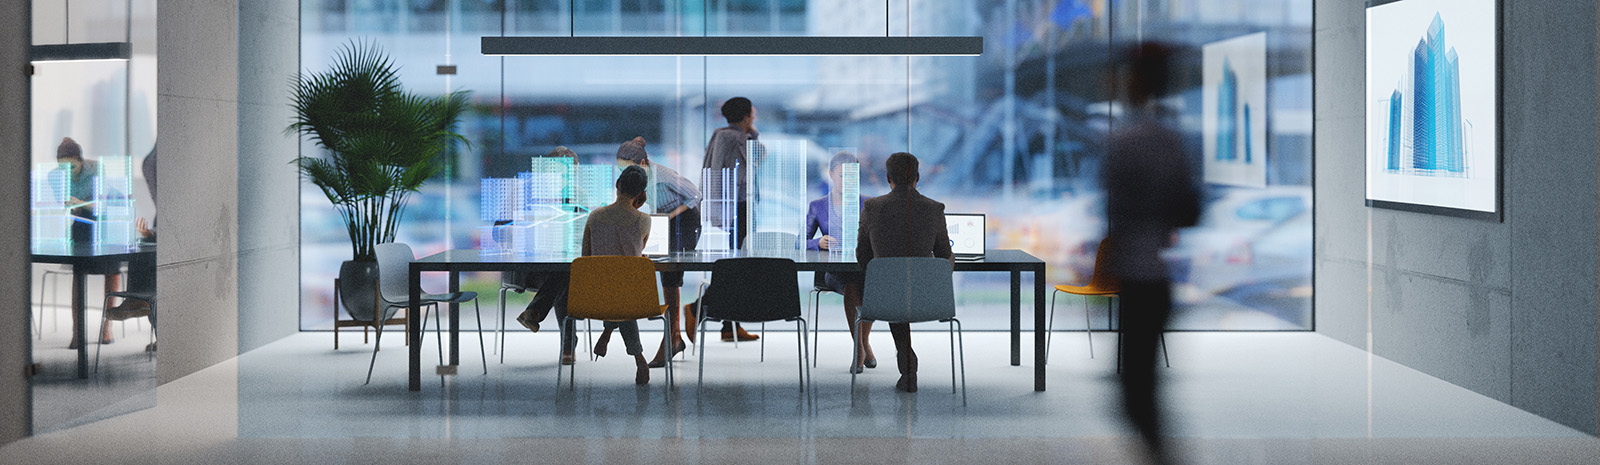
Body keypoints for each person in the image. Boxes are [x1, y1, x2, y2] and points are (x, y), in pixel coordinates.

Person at [1100, 42, 1201, 465]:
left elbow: (1114, 211)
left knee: (1135, 396)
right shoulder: (1171, 141)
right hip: (1154, 278)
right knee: (1141, 392)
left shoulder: (1130, 142)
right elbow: (1191, 210)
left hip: (1136, 279)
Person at [856, 152, 952, 393]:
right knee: (902, 286)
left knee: (892, 288)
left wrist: (882, 271)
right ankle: (907, 362)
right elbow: (943, 256)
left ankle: (907, 361)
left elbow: (862, 256)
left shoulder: (872, 207)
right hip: (927, 297)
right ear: (917, 177)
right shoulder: (934, 208)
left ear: (888, 177)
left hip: (884, 296)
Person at [614, 137, 701, 368]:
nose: (624, 173)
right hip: (663, 220)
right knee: (662, 271)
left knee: (671, 275)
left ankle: (671, 339)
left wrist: (669, 216)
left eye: (628, 168)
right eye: (621, 169)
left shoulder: (664, 175)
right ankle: (674, 337)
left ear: (643, 162)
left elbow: (695, 195)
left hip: (683, 220)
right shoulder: (639, 178)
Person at [691, 97, 760, 343]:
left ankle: (730, 326)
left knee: (733, 264)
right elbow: (755, 161)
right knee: (736, 267)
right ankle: (697, 309)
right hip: (738, 207)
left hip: (727, 207)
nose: (755, 115)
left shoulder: (720, 135)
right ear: (745, 116)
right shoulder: (738, 138)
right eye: (752, 112)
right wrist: (753, 134)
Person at [582, 165, 655, 384]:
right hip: (628, 298)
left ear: (617, 185)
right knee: (623, 293)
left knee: (612, 287)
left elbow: (585, 259)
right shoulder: (643, 220)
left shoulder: (594, 217)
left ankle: (607, 332)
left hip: (597, 295)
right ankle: (639, 358)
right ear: (641, 194)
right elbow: (638, 254)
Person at [804, 151, 876, 373]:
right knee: (853, 282)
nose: (848, 181)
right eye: (843, 176)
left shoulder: (870, 204)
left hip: (864, 266)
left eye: (853, 176)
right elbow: (801, 241)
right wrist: (819, 242)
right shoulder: (818, 205)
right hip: (835, 271)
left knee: (868, 282)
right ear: (831, 175)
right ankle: (860, 348)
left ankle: (862, 345)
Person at [53, 137, 121, 349]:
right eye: (62, 166)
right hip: (82, 223)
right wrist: (73, 208)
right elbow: (68, 209)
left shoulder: (96, 170)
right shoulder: (55, 177)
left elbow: (102, 206)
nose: (67, 171)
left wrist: (80, 204)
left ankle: (107, 327)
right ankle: (77, 332)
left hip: (107, 221)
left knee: (112, 271)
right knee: (78, 273)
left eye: (71, 166)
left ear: (81, 161)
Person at [511, 147, 577, 360]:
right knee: (564, 273)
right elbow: (498, 231)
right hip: (530, 267)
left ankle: (535, 313)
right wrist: (526, 228)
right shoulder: (524, 192)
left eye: (569, 173)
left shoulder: (577, 194)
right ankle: (568, 344)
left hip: (562, 264)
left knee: (564, 270)